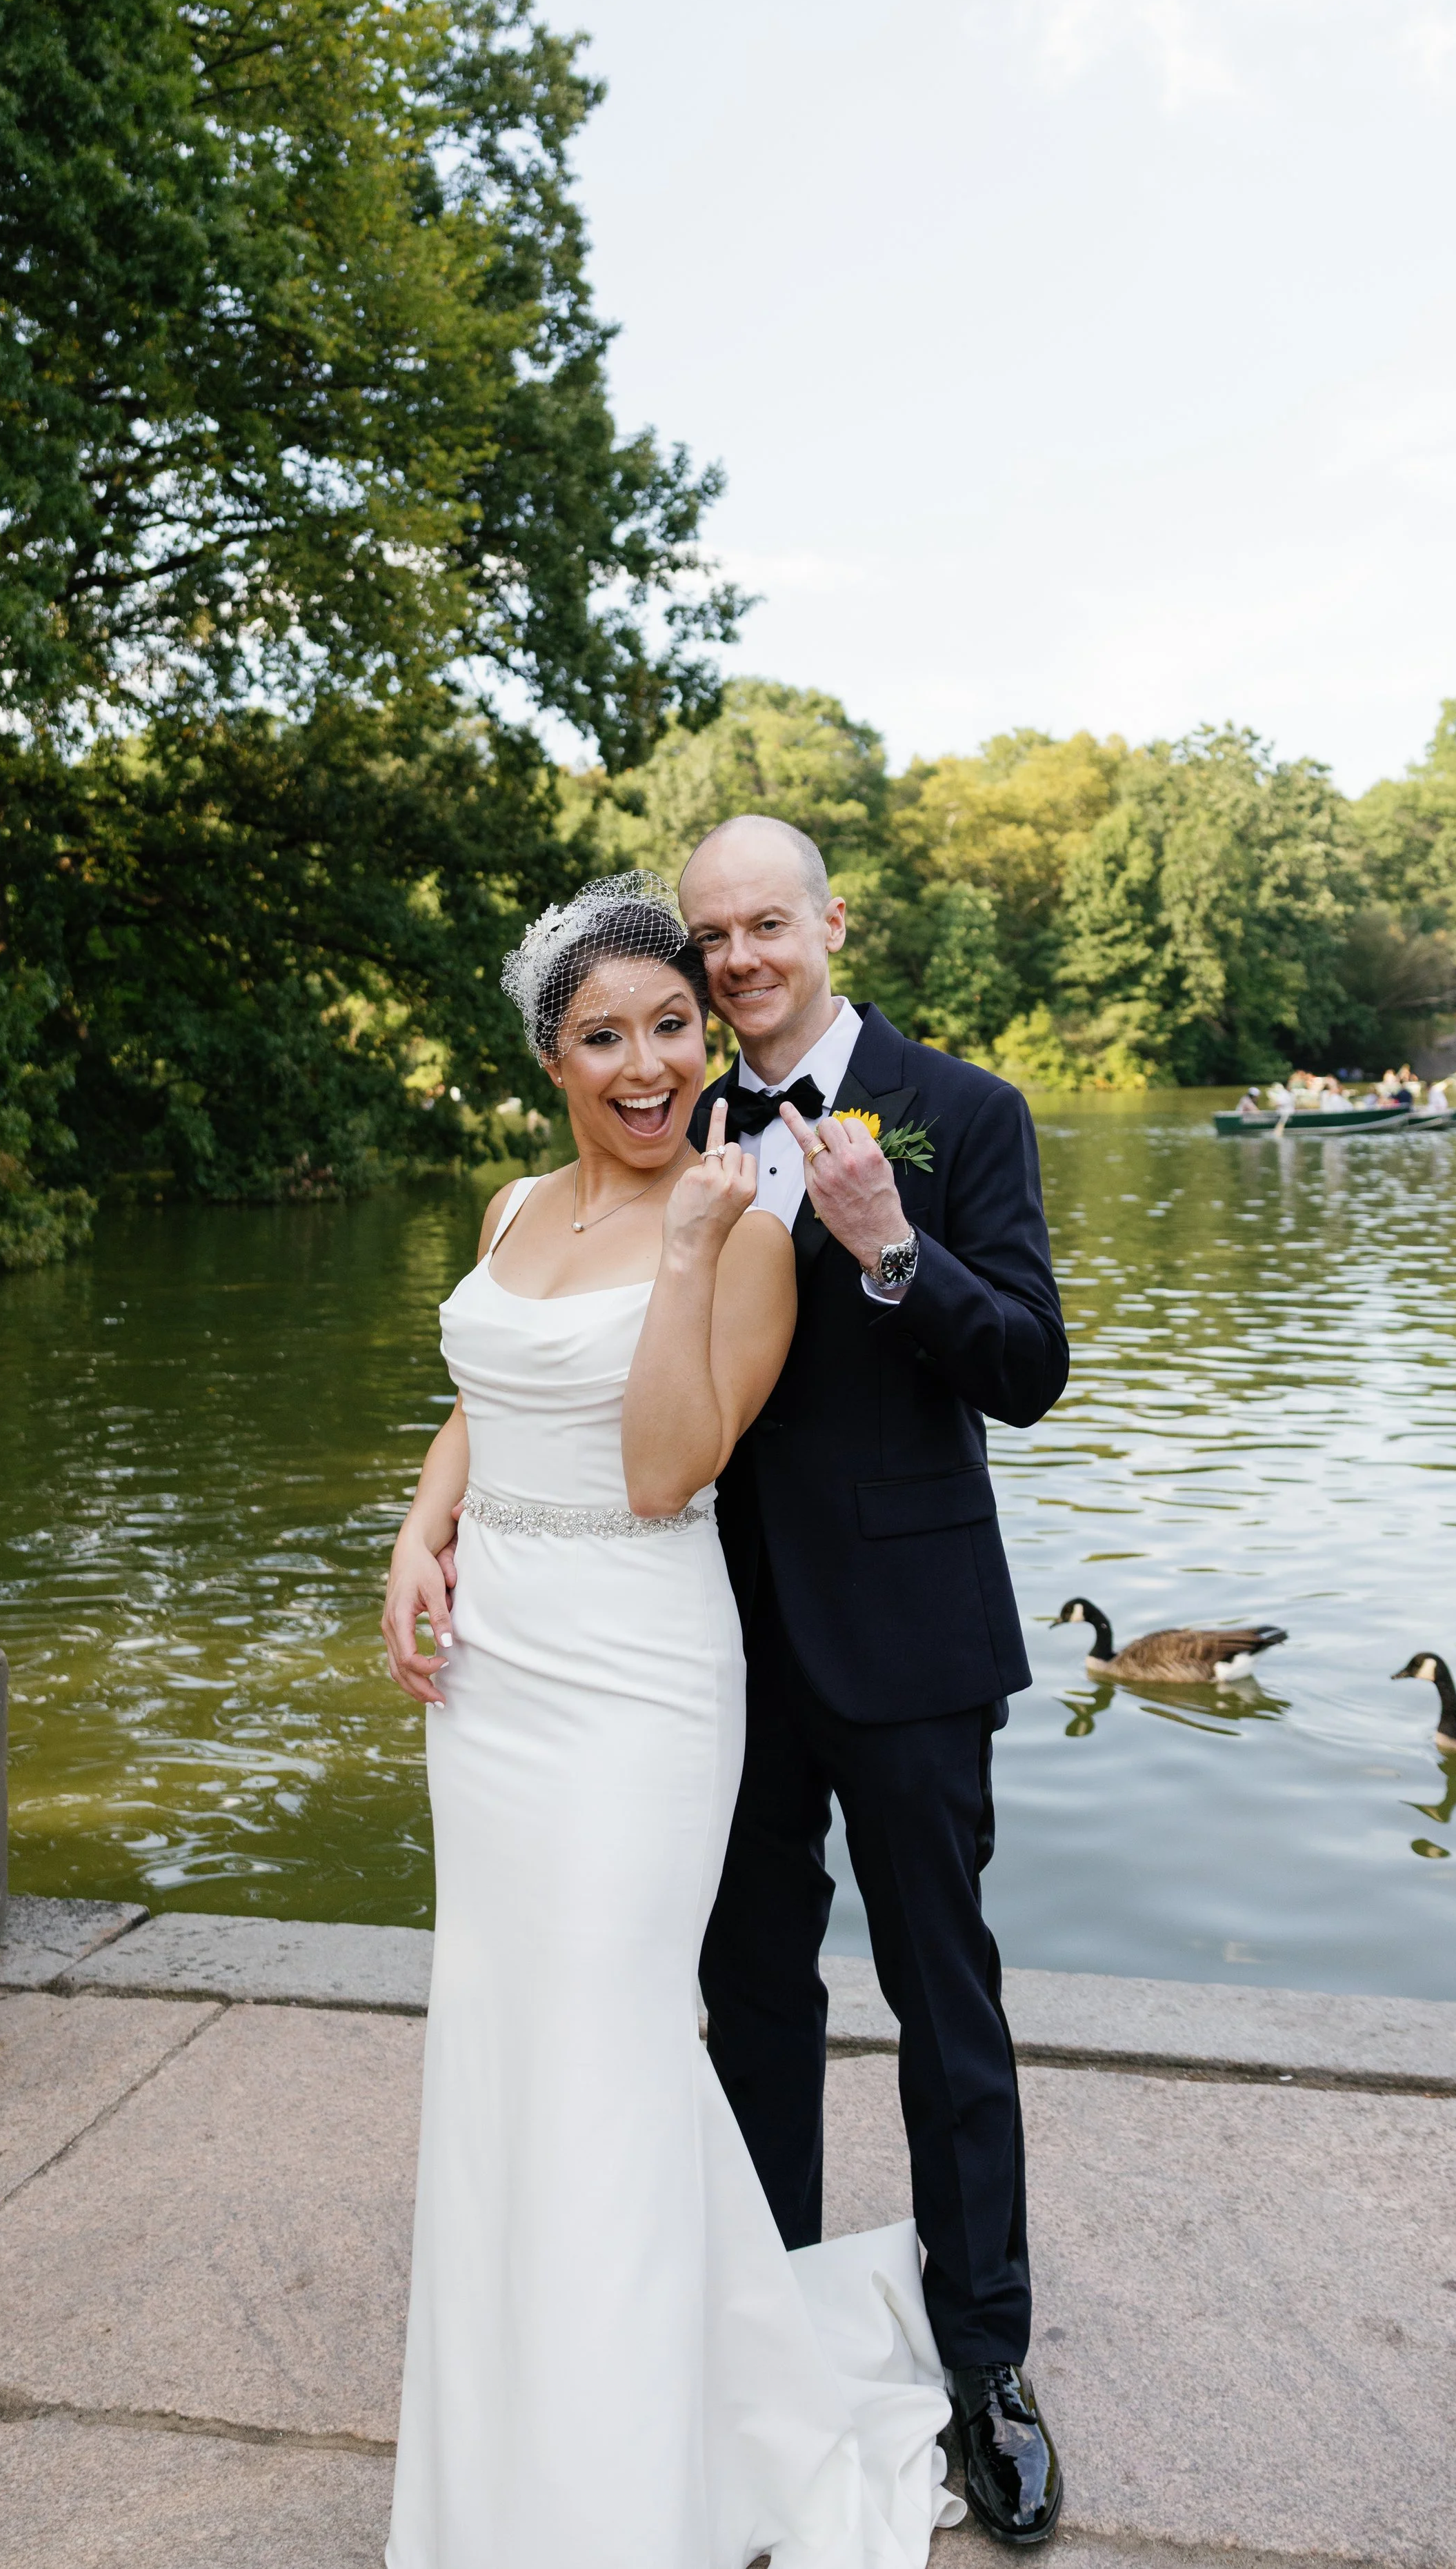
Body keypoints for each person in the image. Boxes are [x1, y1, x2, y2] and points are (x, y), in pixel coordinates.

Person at [380, 873, 964, 2569]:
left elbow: (656, 1471)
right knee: (506, 2039)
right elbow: (479, 1403)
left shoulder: (750, 1234)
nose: (646, 1066)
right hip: (492, 1675)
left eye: (669, 1029)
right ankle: (513, 2434)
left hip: (636, 1678)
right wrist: (422, 1533)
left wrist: (697, 1243)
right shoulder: (508, 1210)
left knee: (613, 2034)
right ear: (550, 1058)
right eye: (604, 1036)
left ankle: (629, 2481)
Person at [678, 816, 1070, 2550]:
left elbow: (1031, 1368)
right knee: (750, 1998)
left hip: (907, 1644)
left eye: (766, 924)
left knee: (943, 1997)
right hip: (709, 1644)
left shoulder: (961, 1111)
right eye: (711, 937)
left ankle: (988, 2366)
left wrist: (890, 1247)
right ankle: (764, 2346)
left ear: (830, 923)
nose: (739, 960)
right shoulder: (672, 1115)